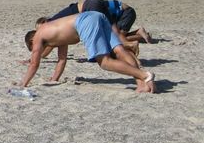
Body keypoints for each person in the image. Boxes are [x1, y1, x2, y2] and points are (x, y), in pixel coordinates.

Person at [20, 12, 155, 93]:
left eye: (35, 49)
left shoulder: (38, 35)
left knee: (104, 62)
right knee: (119, 51)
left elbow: (34, 64)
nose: (38, 51)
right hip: (96, 16)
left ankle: (144, 75)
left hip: (85, 21)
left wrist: (23, 84)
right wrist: (55, 79)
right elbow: (62, 60)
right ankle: (142, 84)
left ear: (32, 40)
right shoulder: (56, 36)